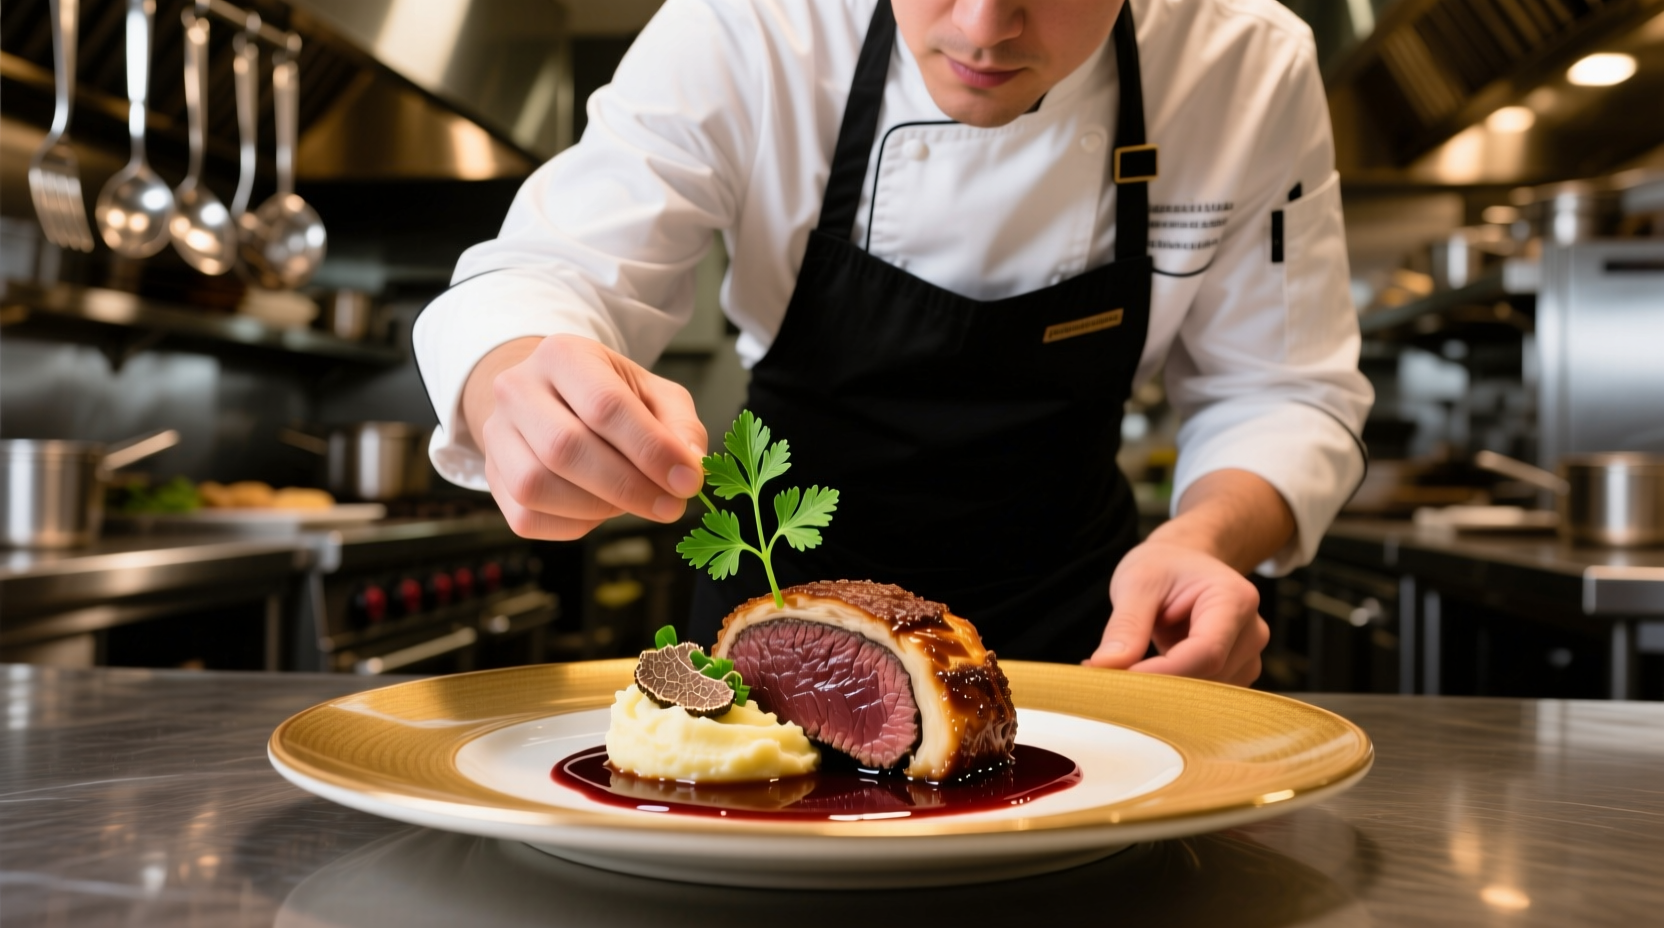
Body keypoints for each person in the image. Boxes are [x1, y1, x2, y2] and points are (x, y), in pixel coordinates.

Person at [413, 0, 1372, 686]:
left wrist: (1204, 540)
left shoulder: (1244, 62)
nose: (984, 26)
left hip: (1087, 638)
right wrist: (521, 383)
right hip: (776, 615)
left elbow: (1285, 393)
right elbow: (552, 271)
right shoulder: (748, 26)